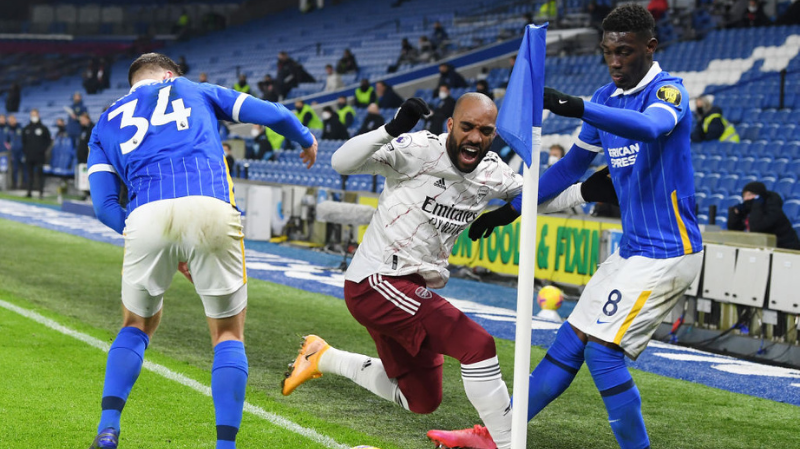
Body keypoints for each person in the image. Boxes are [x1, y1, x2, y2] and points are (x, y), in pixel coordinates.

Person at [430, 5, 703, 449]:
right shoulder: (605, 98)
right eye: (608, 52)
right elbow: (571, 167)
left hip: (670, 252)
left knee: (603, 353)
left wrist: (576, 107)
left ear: (650, 48)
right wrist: (515, 209)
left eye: (625, 52)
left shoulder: (669, 91)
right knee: (570, 343)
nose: (615, 61)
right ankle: (497, 436)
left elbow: (652, 129)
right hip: (633, 251)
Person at [282, 94, 614, 449]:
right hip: (377, 282)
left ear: (493, 135)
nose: (475, 137)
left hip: (409, 291)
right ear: (451, 126)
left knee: (421, 400)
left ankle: (324, 356)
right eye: (467, 127)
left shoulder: (491, 171)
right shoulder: (419, 149)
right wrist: (393, 128)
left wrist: (584, 191)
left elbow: (536, 197)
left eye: (485, 131)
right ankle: (506, 444)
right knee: (477, 344)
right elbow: (341, 162)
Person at [85, 52, 318, 449]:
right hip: (210, 205)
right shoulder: (194, 89)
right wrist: (305, 138)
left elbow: (104, 206)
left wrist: (151, 234)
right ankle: (224, 446)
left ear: (133, 83)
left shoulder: (104, 123)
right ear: (170, 74)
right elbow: (275, 115)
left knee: (135, 325)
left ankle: (108, 429)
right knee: (227, 332)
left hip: (144, 213)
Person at [728, 181, 800, 250]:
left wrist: (756, 205)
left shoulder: (773, 210)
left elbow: (757, 227)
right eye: (744, 196)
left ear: (759, 197)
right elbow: (733, 229)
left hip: (786, 249)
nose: (746, 198)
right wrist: (735, 213)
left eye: (750, 195)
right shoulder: (748, 209)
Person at [22, 109, 51, 199]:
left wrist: (42, 150)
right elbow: (23, 141)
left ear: (38, 115)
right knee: (29, 175)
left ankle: (40, 192)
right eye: (32, 115)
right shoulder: (26, 128)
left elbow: (48, 141)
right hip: (29, 156)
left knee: (40, 174)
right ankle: (29, 192)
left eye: (35, 115)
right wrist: (26, 151)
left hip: (39, 156)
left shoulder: (43, 128)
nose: (34, 116)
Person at [5, 114, 25, 189]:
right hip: (13, 152)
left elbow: (25, 139)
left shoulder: (20, 128)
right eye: (10, 120)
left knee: (23, 168)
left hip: (22, 151)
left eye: (13, 120)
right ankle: (15, 184)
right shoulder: (8, 130)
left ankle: (24, 184)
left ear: (15, 120)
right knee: (15, 169)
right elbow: (6, 141)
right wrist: (10, 148)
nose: (12, 121)